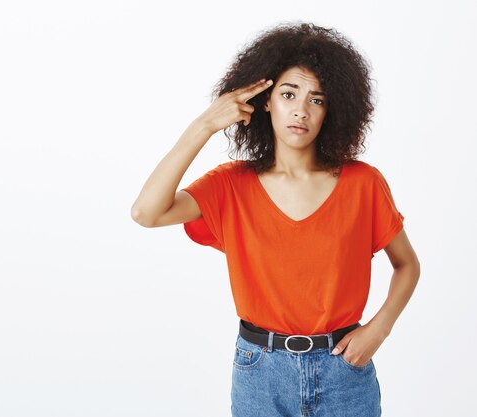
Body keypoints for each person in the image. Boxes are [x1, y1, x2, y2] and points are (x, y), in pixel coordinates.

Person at [131, 21, 420, 417]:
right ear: (266, 101)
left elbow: (407, 265)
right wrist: (205, 124)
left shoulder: (362, 184)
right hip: (259, 373)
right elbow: (146, 212)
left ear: (331, 111)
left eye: (317, 100)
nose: (301, 110)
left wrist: (379, 328)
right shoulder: (231, 185)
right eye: (288, 94)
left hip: (345, 370)